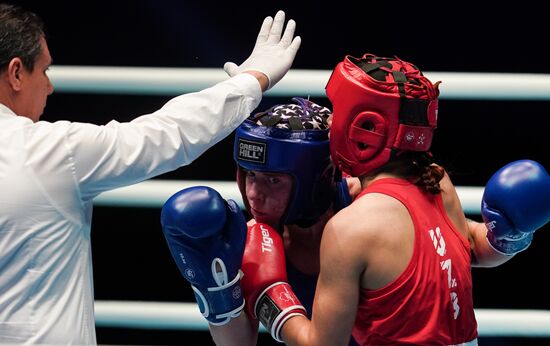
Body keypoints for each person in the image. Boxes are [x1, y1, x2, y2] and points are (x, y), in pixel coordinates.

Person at [0, 2, 301, 344]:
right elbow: (166, 134)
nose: (50, 87)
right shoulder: (44, 153)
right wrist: (252, 80)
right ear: (15, 73)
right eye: (44, 70)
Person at [231, 53, 550, 345]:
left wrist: (269, 295)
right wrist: (508, 234)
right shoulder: (436, 180)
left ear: (367, 129)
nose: (329, 123)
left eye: (338, 113)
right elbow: (475, 249)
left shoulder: (349, 228)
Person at [160, 97, 358, 345]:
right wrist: (217, 291)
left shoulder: (364, 209)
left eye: (273, 180)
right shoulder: (253, 243)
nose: (253, 193)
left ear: (316, 179)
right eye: (250, 175)